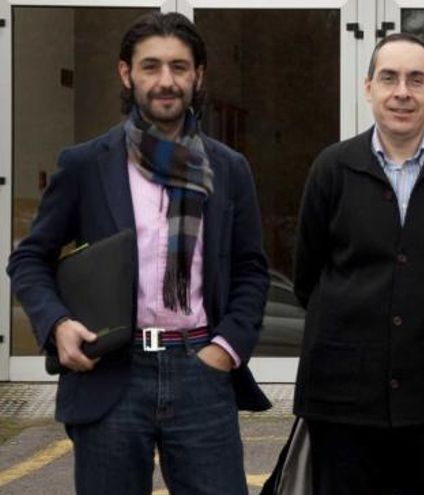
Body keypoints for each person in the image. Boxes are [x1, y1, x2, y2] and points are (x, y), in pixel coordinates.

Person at [7, 12, 270, 494]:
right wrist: (57, 324)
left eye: (178, 67)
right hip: (112, 376)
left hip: (201, 372)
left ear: (198, 76)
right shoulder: (86, 164)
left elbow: (252, 270)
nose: (165, 81)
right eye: (151, 67)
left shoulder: (229, 168)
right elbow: (29, 259)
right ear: (126, 74)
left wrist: (226, 348)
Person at [291, 32, 424, 495]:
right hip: (341, 398)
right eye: (389, 78)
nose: (402, 92)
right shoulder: (332, 168)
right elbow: (308, 274)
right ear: (368, 87)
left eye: (415, 79)